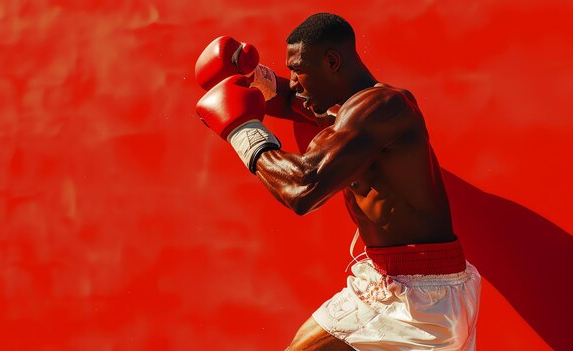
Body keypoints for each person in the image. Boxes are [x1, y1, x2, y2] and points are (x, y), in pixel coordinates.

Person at [195, 13, 481, 351]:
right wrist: (252, 77)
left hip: (415, 296)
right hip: (408, 283)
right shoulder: (354, 110)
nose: (295, 82)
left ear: (332, 61)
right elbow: (291, 100)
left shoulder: (381, 107)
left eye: (299, 71)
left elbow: (303, 187)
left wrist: (240, 131)